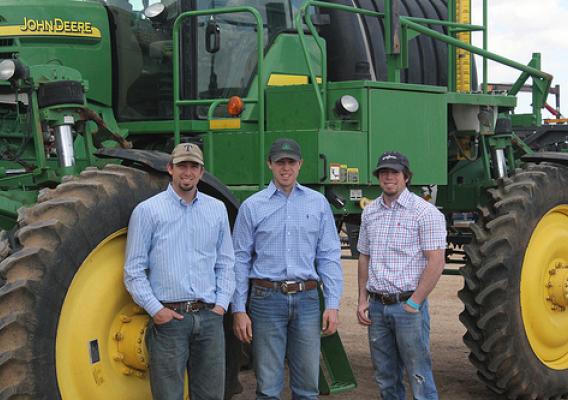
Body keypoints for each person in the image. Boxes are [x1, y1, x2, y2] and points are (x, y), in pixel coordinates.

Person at [232, 138, 343, 400]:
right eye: (280, 162)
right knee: (268, 386)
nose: (285, 168)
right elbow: (239, 260)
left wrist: (332, 304)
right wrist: (238, 309)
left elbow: (328, 256)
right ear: (269, 164)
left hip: (307, 300)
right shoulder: (252, 206)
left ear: (300, 164)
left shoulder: (317, 204)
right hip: (266, 299)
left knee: (307, 387)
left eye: (291, 162)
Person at [124, 142, 235, 400]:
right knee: (168, 396)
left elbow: (226, 262)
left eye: (193, 166)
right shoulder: (148, 211)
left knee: (210, 395)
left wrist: (220, 305)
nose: (188, 172)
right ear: (170, 168)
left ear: (201, 171)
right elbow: (134, 269)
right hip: (169, 320)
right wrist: (156, 310)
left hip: (209, 318)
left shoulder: (216, 209)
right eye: (182, 165)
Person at [356, 151, 446, 400]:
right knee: (385, 376)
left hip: (407, 307)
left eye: (394, 172)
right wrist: (363, 300)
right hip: (377, 306)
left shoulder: (424, 213)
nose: (388, 177)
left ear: (406, 177)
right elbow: (364, 257)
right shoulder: (370, 212)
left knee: (419, 374)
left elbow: (436, 261)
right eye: (383, 172)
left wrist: (414, 302)